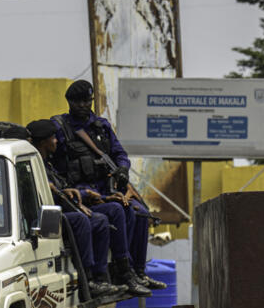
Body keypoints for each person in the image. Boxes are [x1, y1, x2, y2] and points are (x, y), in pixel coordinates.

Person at [51, 80, 165, 292]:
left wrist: (122, 169)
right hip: (81, 193)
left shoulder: (101, 126)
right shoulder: (60, 128)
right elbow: (51, 163)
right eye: (79, 102)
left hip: (105, 189)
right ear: (69, 102)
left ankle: (138, 272)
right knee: (119, 210)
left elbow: (119, 153)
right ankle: (122, 271)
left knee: (140, 212)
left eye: (87, 101)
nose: (84, 106)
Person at [25, 120, 122, 296]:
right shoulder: (34, 166)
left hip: (61, 209)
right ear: (43, 142)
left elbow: (62, 189)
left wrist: (85, 195)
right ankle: (88, 278)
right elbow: (48, 194)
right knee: (81, 220)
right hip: (45, 219)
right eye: (52, 138)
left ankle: (105, 275)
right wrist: (74, 199)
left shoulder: (47, 163)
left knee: (106, 215)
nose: (56, 141)